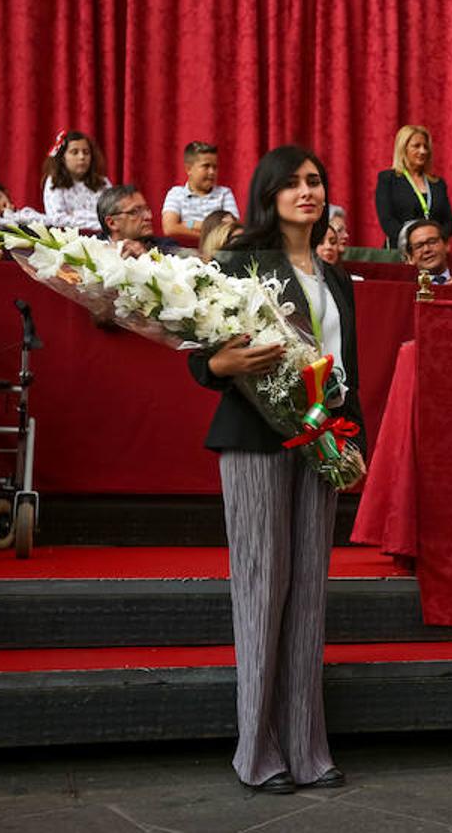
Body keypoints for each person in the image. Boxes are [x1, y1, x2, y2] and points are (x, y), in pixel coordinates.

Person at [188, 144, 365, 794]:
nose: (306, 192)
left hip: (322, 442)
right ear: (269, 194)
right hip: (257, 440)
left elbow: (349, 373)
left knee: (309, 598)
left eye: (315, 181)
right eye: (291, 183)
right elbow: (200, 355)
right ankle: (257, 755)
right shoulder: (241, 261)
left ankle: (307, 750)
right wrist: (221, 367)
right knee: (264, 592)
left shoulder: (335, 275)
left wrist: (356, 444)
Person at [374, 125, 452, 248]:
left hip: (433, 251)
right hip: (401, 251)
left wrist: (434, 241)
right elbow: (387, 220)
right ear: (403, 148)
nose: (423, 151)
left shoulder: (437, 183)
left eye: (425, 147)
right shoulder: (388, 179)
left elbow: (449, 223)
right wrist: (414, 244)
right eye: (416, 146)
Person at [161, 141, 240, 236]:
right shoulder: (176, 194)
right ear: (188, 169)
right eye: (206, 166)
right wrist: (213, 234)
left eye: (215, 167)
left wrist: (190, 223)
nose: (212, 172)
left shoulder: (224, 193)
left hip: (218, 251)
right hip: (183, 250)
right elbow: (170, 229)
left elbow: (233, 229)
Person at [41, 129, 111, 230]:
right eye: (74, 152)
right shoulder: (54, 182)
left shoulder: (103, 182)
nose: (82, 157)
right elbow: (57, 220)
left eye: (86, 152)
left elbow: (113, 216)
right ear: (63, 157)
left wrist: (76, 214)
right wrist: (100, 223)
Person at [96, 185, 181, 257]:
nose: (149, 216)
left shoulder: (166, 246)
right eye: (135, 212)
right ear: (112, 223)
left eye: (147, 209)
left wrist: (147, 258)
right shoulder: (92, 249)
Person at [399, 218, 452, 285]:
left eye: (432, 242)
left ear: (446, 245)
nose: (426, 249)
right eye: (419, 246)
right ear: (410, 258)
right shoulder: (404, 290)